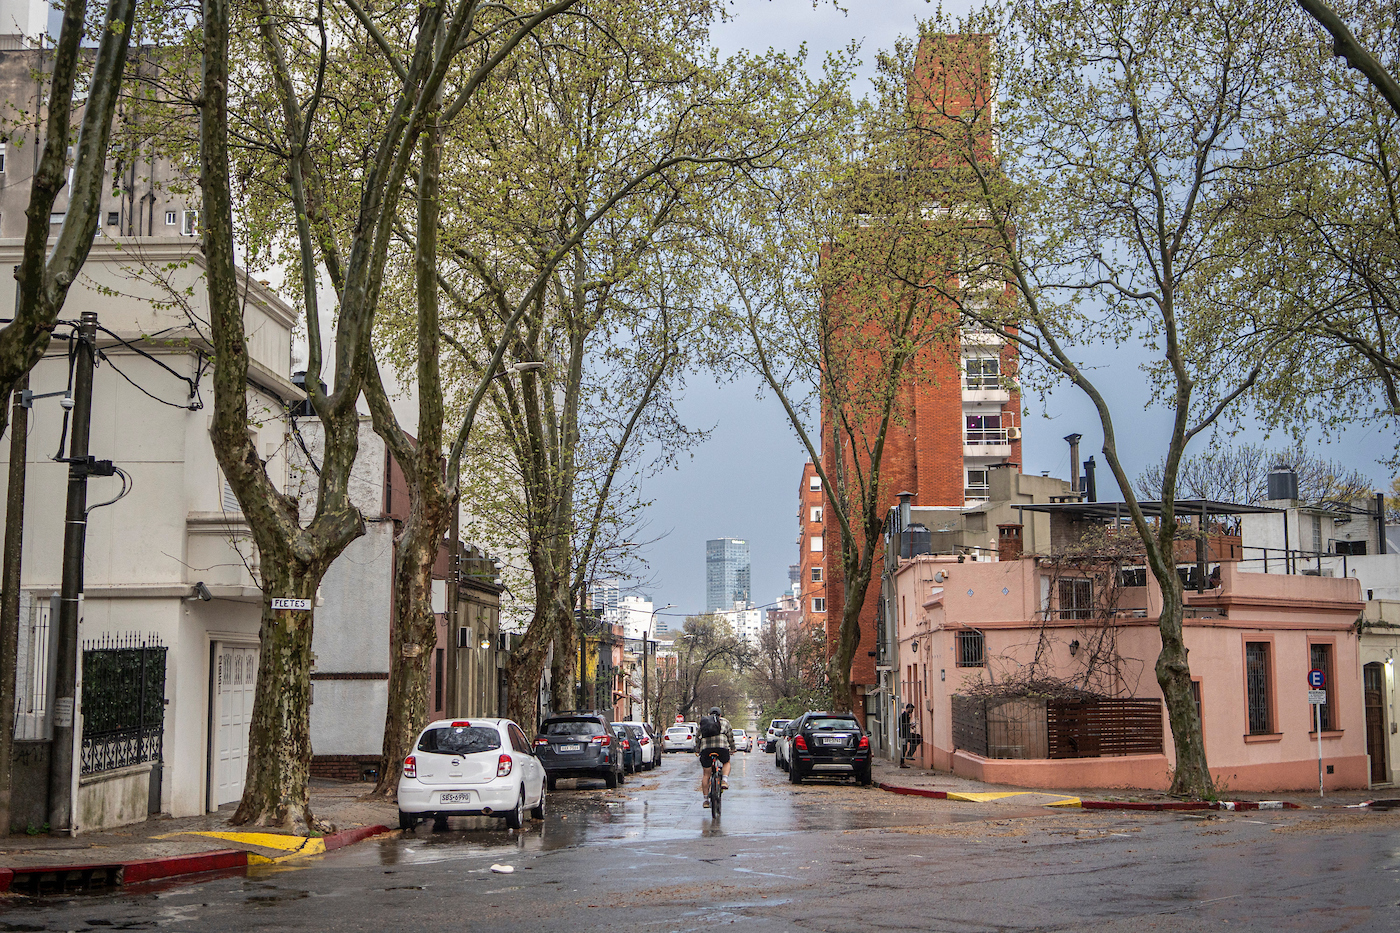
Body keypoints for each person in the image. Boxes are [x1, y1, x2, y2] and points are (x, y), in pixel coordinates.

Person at [697, 705, 735, 807]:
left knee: (706, 775)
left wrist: (697, 749)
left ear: (709, 714)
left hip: (706, 749)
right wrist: (733, 748)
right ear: (720, 715)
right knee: (726, 762)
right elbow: (730, 736)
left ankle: (705, 800)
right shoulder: (725, 722)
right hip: (721, 748)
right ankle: (724, 781)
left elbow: (698, 737)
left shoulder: (704, 721)